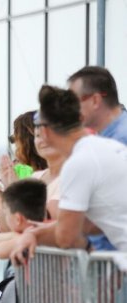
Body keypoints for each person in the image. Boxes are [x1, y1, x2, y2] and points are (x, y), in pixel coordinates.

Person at [9, 85, 127, 259]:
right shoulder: (106, 148)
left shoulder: (79, 162)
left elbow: (66, 237)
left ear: (44, 130)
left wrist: (87, 246)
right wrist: (37, 233)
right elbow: (91, 222)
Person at [68, 65, 127, 145]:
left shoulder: (120, 142)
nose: (70, 109)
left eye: (73, 101)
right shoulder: (109, 136)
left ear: (95, 101)